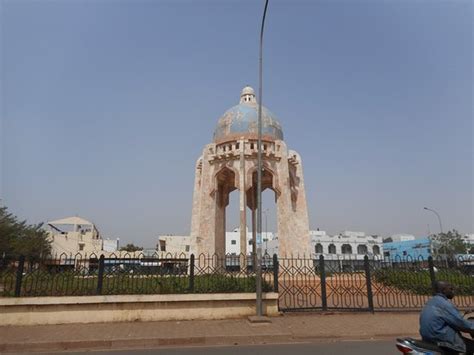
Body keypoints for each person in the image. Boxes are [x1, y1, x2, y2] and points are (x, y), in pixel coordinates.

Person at [420, 281, 474, 354]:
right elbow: (460, 323)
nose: (453, 291)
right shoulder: (444, 304)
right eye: (451, 289)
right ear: (444, 290)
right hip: (442, 339)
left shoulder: (431, 302)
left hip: (429, 338)